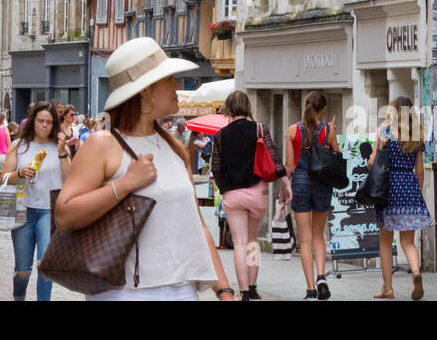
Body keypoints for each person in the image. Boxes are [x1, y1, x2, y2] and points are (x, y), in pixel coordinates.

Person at [55, 37, 236, 301]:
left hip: (181, 287)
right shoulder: (102, 144)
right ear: (145, 90)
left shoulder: (173, 145)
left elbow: (197, 226)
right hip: (124, 290)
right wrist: (126, 183)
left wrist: (224, 290)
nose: (176, 85)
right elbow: (64, 214)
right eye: (168, 79)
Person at [211, 90, 287, 299]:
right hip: (257, 193)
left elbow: (216, 167)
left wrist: (223, 188)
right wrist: (286, 183)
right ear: (247, 107)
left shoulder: (220, 135)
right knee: (253, 241)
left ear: (228, 108)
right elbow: (274, 158)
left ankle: (243, 291)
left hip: (233, 195)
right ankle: (253, 287)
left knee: (239, 242)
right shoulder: (259, 129)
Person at [1, 101, 72, 300]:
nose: (44, 126)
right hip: (22, 210)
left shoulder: (60, 147)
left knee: (44, 265)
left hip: (49, 211)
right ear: (33, 121)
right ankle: (19, 295)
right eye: (40, 121)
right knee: (23, 270)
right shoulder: (20, 146)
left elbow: (70, 180)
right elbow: (4, 178)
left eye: (49, 122)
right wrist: (20, 173)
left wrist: (62, 151)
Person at [370, 96, 431, 300]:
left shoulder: (384, 132)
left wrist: (380, 149)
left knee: (386, 240)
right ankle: (415, 273)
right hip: (410, 187)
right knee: (407, 241)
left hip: (388, 188)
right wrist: (417, 190)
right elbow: (420, 171)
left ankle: (387, 288)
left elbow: (372, 163)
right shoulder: (416, 135)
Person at [284, 91, 338, 298]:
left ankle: (310, 288)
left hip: (299, 183)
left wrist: (284, 190)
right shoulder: (327, 130)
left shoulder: (292, 131)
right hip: (323, 185)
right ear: (323, 110)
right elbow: (336, 158)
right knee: (319, 235)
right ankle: (321, 276)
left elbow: (289, 165)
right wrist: (332, 133)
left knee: (305, 240)